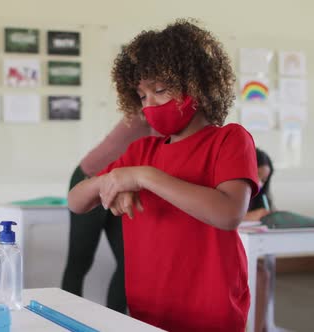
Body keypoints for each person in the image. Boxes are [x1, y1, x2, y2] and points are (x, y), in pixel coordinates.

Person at [68, 19, 259, 331]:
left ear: (198, 84)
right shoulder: (142, 149)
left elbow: (228, 213)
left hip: (210, 309)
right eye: (142, 96)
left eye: (160, 90)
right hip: (148, 309)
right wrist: (112, 180)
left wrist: (143, 177)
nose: (150, 105)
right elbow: (76, 201)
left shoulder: (230, 140)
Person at [62, 116, 153, 313]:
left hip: (121, 185)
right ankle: (66, 322)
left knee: (128, 263)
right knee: (80, 260)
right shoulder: (146, 113)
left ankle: (115, 322)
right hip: (91, 179)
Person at [247, 148, 286, 332]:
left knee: (264, 274)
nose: (260, 183)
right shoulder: (232, 190)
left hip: (245, 250)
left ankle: (262, 326)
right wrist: (252, 216)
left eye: (264, 180)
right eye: (257, 176)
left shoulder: (260, 197)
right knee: (262, 275)